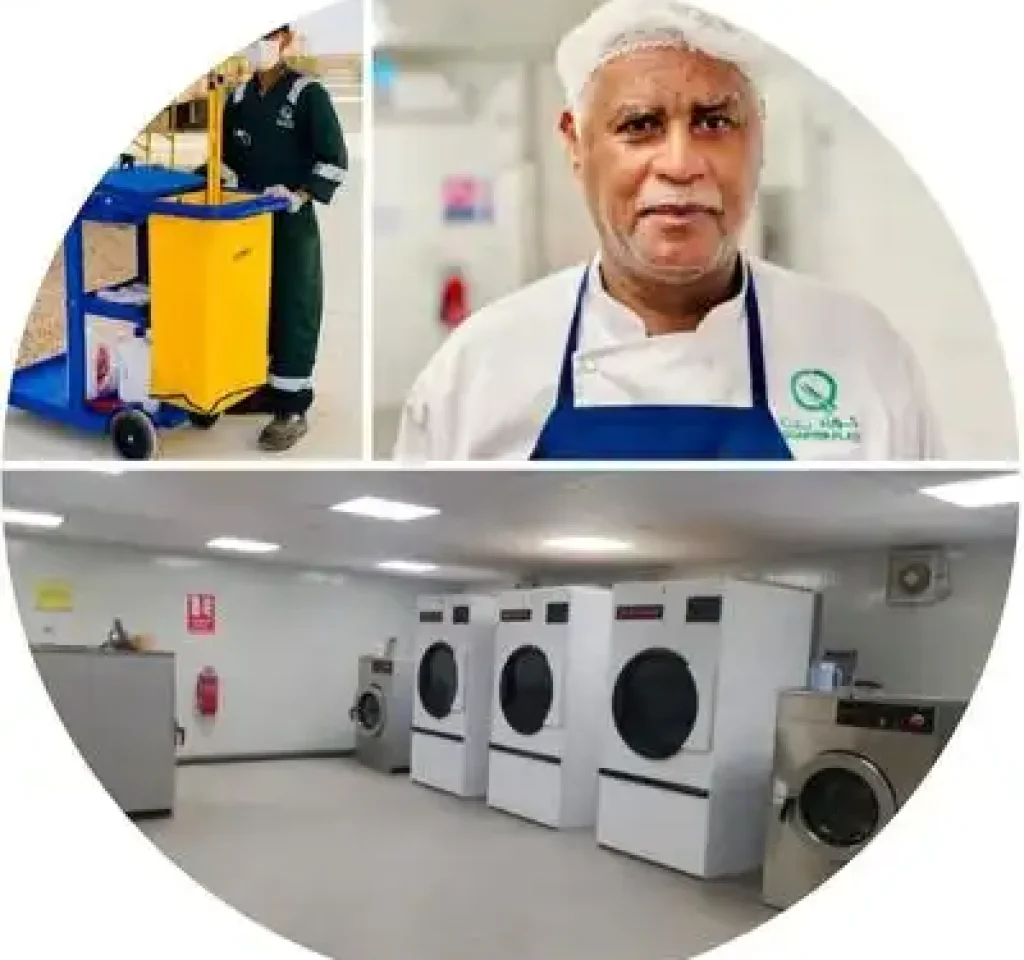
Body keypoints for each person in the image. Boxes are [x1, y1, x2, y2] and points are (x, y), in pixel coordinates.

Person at [393, 0, 942, 462]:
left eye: (714, 121)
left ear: (759, 136)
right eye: (639, 126)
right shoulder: (473, 374)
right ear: (576, 145)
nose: (680, 163)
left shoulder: (868, 358)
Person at [211, 24, 347, 451]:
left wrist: (300, 194)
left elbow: (334, 160)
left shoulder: (307, 95)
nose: (257, 45)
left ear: (285, 39)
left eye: (267, 36)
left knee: (294, 304)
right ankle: (259, 386)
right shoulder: (236, 98)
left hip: (290, 221)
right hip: (247, 223)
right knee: (251, 304)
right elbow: (224, 160)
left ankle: (292, 405)